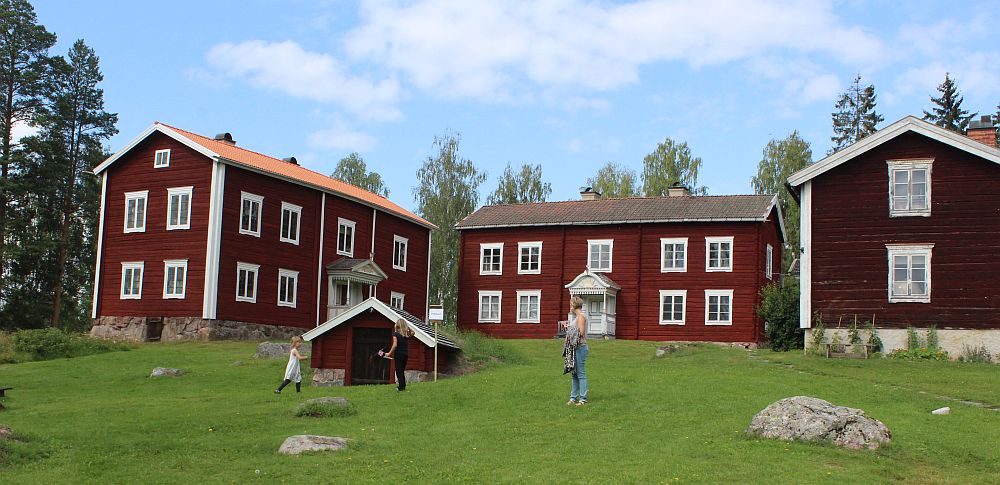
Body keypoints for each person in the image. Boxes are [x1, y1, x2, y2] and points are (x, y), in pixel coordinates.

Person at [565, 296, 589, 406]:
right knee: (574, 374)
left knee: (581, 374)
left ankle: (583, 399)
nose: (570, 307)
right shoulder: (576, 317)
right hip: (574, 348)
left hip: (580, 347)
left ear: (574, 305)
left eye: (570, 304)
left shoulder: (581, 317)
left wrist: (567, 329)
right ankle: (573, 398)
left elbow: (581, 333)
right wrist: (568, 328)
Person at [386, 319, 413, 391]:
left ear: (397, 325)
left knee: (399, 371)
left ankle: (401, 387)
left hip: (398, 355)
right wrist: (408, 328)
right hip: (405, 355)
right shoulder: (405, 335)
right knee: (402, 371)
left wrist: (389, 353)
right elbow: (413, 333)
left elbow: (395, 345)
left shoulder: (395, 334)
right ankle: (403, 386)